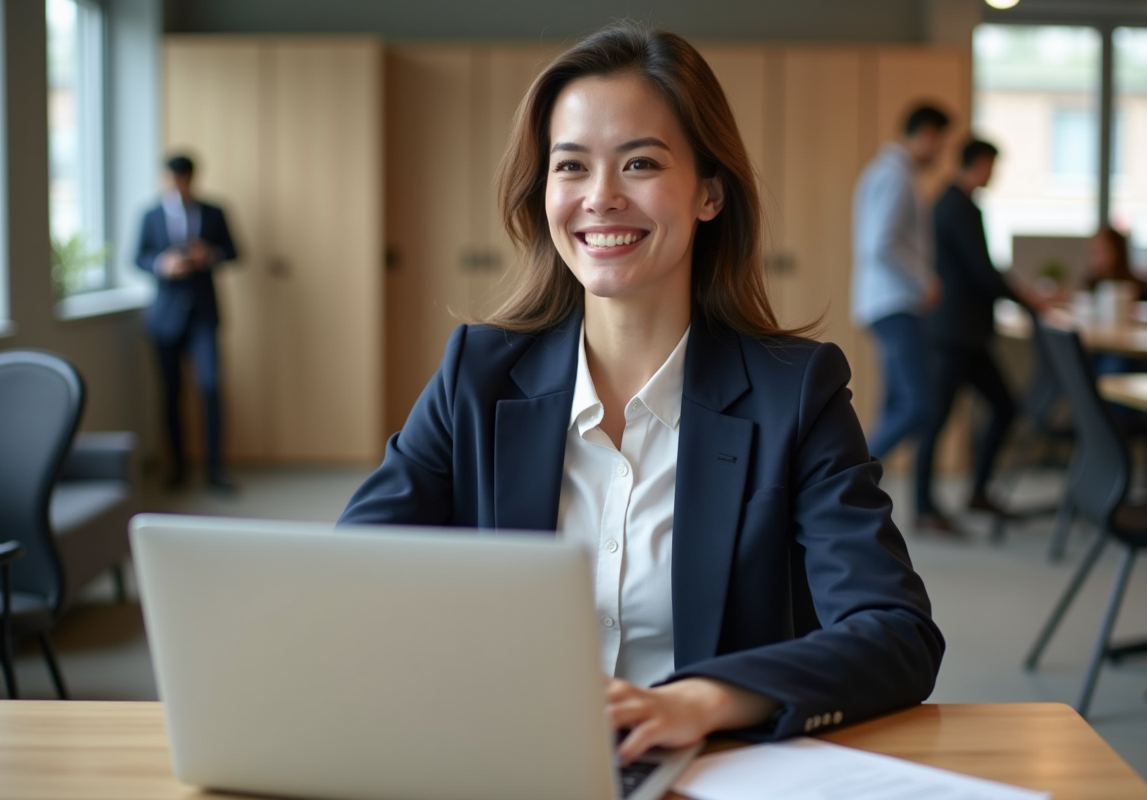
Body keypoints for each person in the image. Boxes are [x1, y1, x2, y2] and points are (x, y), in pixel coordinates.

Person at [339, 23, 942, 764]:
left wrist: (702, 698)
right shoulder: (477, 375)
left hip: (707, 769)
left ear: (710, 193)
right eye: (571, 167)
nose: (601, 198)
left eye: (641, 163)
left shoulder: (796, 394)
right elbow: (354, 579)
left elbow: (895, 630)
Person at [914, 139, 1048, 534]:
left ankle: (977, 492)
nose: (995, 175)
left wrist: (1024, 296)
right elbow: (982, 271)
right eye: (993, 166)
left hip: (965, 332)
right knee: (936, 418)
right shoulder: (958, 206)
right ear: (980, 163)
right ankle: (924, 508)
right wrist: (1028, 299)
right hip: (954, 332)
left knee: (1005, 406)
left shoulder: (957, 203)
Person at [851, 104, 951, 461]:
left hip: (886, 303)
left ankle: (859, 492)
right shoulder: (894, 176)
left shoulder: (889, 172)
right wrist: (925, 279)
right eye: (940, 142)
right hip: (894, 304)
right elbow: (881, 243)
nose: (941, 152)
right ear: (926, 134)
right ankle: (850, 476)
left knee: (897, 404)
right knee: (919, 405)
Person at [136, 155, 238, 492]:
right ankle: (177, 468)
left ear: (192, 179)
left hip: (203, 315)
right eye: (171, 180)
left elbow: (235, 251)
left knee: (210, 388)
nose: (177, 186)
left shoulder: (214, 211)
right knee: (172, 394)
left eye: (183, 180)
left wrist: (207, 255)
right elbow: (137, 257)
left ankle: (215, 469)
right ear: (164, 179)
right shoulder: (150, 215)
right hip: (165, 318)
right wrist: (161, 265)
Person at [1085, 226, 1147, 304]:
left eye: (1098, 251)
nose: (1093, 258)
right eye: (1091, 252)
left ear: (1117, 252)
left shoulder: (1145, 291)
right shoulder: (1090, 287)